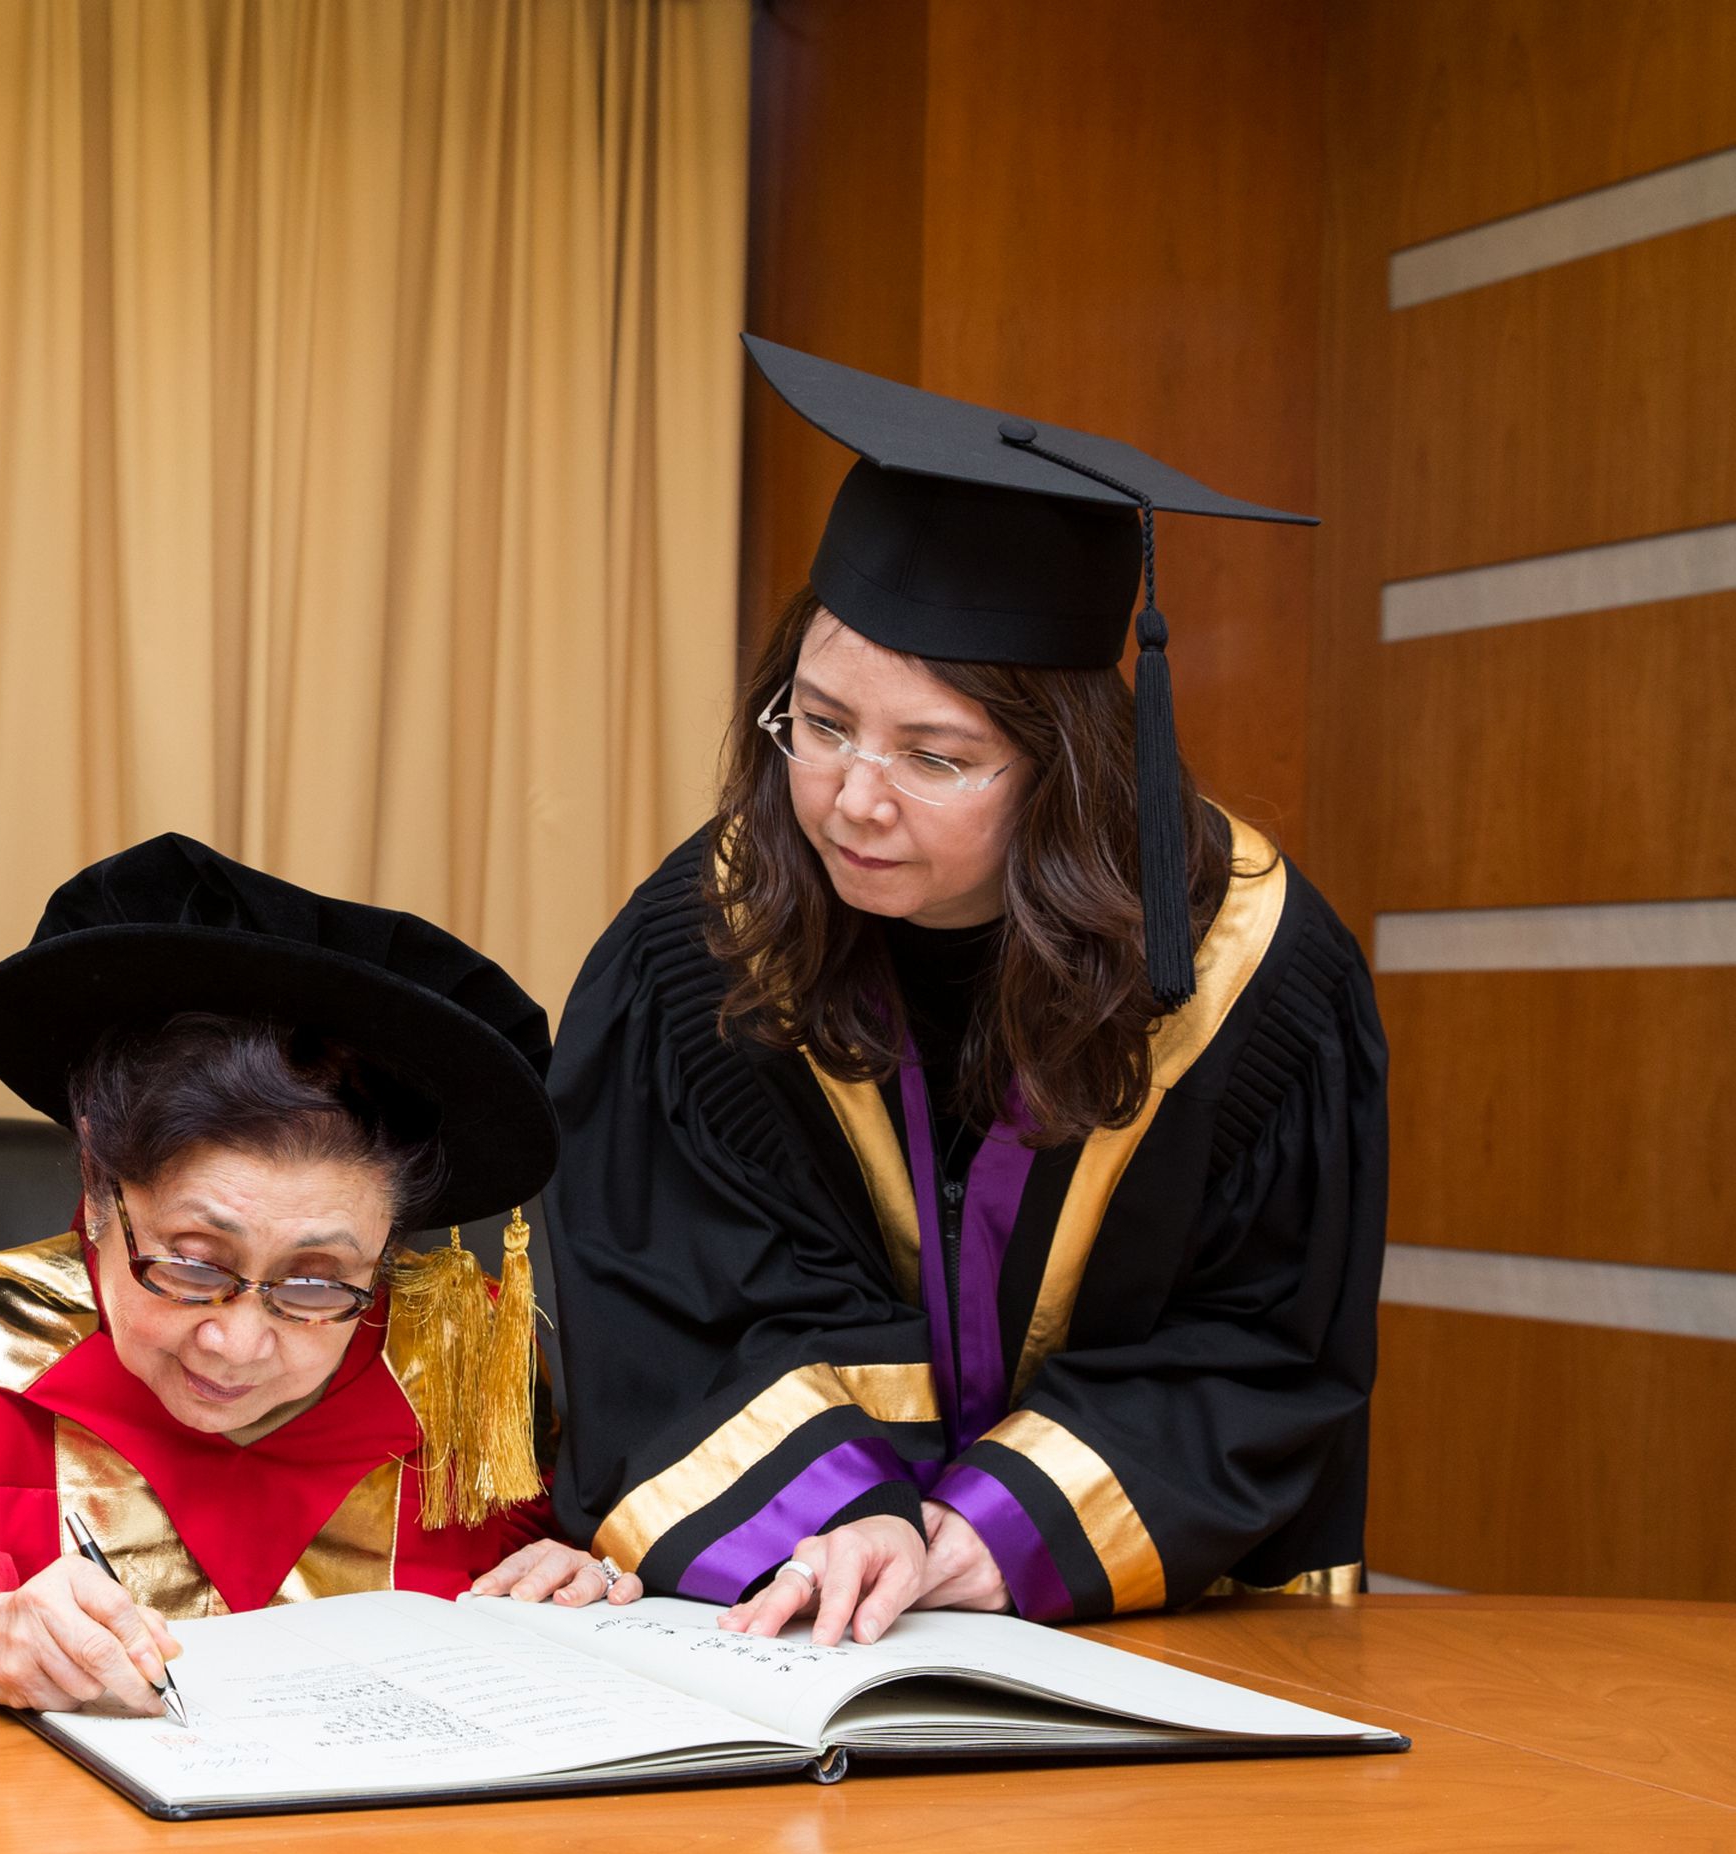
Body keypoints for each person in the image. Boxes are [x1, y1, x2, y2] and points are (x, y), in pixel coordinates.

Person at [546, 337, 1387, 1648]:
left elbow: (1259, 1344)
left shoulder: (1253, 968)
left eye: (934, 757)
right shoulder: (703, 944)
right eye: (817, 726)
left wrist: (994, 1529)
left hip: (1148, 1633)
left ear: (1063, 769)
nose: (850, 799)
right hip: (798, 1620)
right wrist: (849, 1514)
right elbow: (670, 1303)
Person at [0, 834, 635, 1708]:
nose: (236, 1339)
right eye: (190, 1262)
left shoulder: (452, 1394)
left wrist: (575, 1585)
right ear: (97, 1193)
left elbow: (552, 1592)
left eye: (315, 1279)